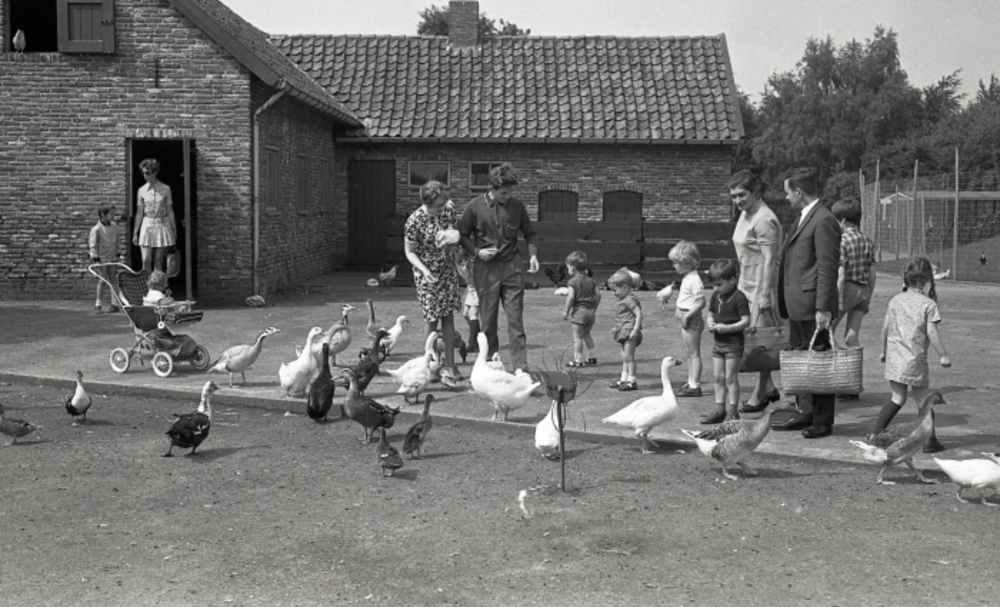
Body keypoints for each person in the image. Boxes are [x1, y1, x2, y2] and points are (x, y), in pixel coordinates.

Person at [773, 167, 841, 439]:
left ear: (799, 192)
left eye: (788, 192)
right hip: (798, 303)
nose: (786, 197)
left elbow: (827, 267)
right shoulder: (804, 217)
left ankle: (822, 420)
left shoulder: (824, 220)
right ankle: (805, 411)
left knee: (820, 363)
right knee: (803, 360)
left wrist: (823, 307)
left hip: (813, 305)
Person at [457, 162, 540, 374]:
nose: (508, 196)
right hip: (485, 268)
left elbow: (530, 233)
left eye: (510, 191)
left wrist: (532, 255)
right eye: (504, 192)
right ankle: (491, 364)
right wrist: (477, 252)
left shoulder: (517, 206)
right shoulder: (475, 206)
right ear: (492, 188)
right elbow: (462, 235)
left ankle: (521, 368)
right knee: (488, 320)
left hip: (512, 267)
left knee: (515, 320)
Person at [873, 257, 951, 453]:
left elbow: (885, 328)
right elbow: (932, 332)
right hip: (915, 359)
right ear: (927, 280)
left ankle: (875, 434)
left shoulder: (895, 300)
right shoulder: (928, 304)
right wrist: (943, 355)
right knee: (924, 402)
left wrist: (883, 351)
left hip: (895, 359)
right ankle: (929, 441)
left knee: (897, 399)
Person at [729, 171, 783, 413]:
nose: (737, 200)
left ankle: (760, 394)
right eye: (733, 196)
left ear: (755, 192)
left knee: (762, 343)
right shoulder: (745, 214)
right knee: (751, 338)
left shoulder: (764, 219)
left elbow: (770, 259)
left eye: (742, 195)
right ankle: (769, 387)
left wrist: (763, 294)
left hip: (762, 287)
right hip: (746, 284)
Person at [404, 180, 463, 388]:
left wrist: (452, 239)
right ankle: (430, 365)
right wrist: (424, 270)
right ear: (427, 203)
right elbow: (409, 252)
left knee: (448, 316)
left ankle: (450, 365)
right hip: (426, 273)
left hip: (446, 270)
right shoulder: (415, 221)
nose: (442, 208)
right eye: (438, 205)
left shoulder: (448, 210)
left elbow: (453, 231)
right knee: (431, 318)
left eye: (443, 203)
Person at [704, 259, 752, 424]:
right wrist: (710, 323)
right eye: (713, 285)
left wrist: (728, 328)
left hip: (733, 343)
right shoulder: (716, 296)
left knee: (731, 377)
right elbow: (710, 314)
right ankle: (719, 409)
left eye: (719, 284)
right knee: (718, 376)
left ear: (732, 280)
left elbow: (746, 321)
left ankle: (732, 411)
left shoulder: (739, 297)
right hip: (718, 342)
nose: (715, 288)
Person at [829, 199, 876, 351]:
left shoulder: (842, 241)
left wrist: (834, 299)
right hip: (863, 291)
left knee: (828, 332)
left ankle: (837, 361)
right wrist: (868, 296)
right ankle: (855, 364)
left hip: (847, 290)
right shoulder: (867, 241)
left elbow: (841, 275)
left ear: (842, 220)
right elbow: (872, 274)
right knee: (852, 337)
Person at [668, 241, 705, 397]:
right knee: (689, 352)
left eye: (676, 263)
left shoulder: (694, 280)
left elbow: (701, 302)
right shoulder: (687, 277)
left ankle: (695, 385)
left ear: (687, 263)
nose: (674, 266)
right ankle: (690, 381)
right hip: (685, 316)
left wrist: (688, 315)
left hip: (692, 318)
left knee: (694, 353)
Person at [132, 158, 176, 274]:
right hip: (147, 224)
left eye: (148, 173)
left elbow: (170, 210)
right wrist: (135, 231)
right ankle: (147, 284)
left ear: (155, 172)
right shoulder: (141, 190)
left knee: (158, 261)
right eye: (143, 173)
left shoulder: (166, 189)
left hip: (162, 224)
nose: (145, 176)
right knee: (145, 260)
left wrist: (174, 228)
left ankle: (158, 284)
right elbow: (139, 212)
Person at [562, 250, 600, 367]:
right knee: (587, 334)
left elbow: (571, 297)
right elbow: (598, 295)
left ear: (573, 268)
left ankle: (578, 359)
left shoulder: (573, 282)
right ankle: (592, 356)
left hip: (579, 312)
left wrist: (566, 311)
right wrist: (594, 307)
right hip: (590, 312)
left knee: (577, 337)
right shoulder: (591, 281)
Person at [608, 267, 642, 391]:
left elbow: (638, 314)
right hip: (622, 331)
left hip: (629, 331)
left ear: (625, 287)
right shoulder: (623, 300)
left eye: (615, 290)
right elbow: (623, 317)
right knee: (624, 357)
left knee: (629, 357)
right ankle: (624, 378)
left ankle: (632, 380)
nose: (614, 293)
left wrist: (635, 329)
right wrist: (617, 328)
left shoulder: (630, 300)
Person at [89, 202, 121, 314]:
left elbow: (117, 241)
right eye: (111, 214)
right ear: (103, 215)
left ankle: (114, 303)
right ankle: (98, 304)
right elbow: (93, 245)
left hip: (112, 257)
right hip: (102, 259)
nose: (113, 216)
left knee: (113, 279)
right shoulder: (96, 229)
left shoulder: (115, 227)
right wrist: (95, 258)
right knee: (102, 280)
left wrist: (117, 253)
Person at [455, 248, 480, 354]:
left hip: (478, 289)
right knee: (466, 314)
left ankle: (473, 343)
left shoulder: (471, 264)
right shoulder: (458, 264)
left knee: (473, 313)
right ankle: (479, 335)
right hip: (470, 289)